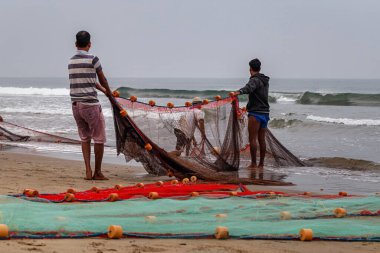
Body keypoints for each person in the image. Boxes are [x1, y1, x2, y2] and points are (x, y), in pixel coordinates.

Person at [68, 31, 113, 180]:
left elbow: (89, 80)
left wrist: (103, 90)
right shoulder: (94, 59)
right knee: (99, 138)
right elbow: (102, 78)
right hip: (90, 105)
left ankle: (88, 171)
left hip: (75, 105)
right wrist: (110, 93)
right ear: (90, 44)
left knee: (85, 138)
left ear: (76, 44)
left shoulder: (71, 61)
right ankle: (97, 172)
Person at [235, 58, 270, 168]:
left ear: (250, 69)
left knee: (253, 139)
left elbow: (249, 88)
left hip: (256, 113)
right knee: (261, 139)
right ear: (259, 68)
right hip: (265, 113)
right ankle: (261, 164)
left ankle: (254, 163)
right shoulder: (265, 80)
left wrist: (238, 92)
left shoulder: (254, 79)